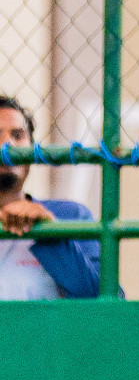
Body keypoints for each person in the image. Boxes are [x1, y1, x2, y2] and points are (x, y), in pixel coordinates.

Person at [0, 96, 101, 298]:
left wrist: (51, 234)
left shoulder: (71, 216)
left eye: (18, 135)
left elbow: (102, 300)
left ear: (32, 150)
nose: (7, 144)